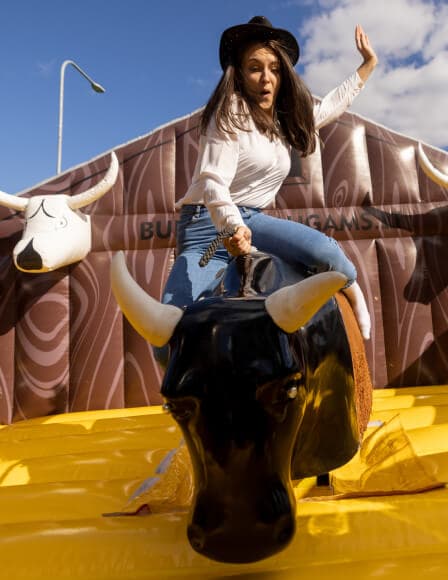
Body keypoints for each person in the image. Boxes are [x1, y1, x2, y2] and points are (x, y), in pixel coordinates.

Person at [162, 16, 378, 340]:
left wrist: (368, 65)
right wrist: (232, 227)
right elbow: (213, 181)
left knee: (332, 257)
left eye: (274, 69)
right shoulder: (230, 112)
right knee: (170, 336)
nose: (266, 78)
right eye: (255, 68)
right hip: (207, 228)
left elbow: (329, 108)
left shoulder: (283, 122)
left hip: (253, 221)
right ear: (239, 73)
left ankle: (350, 288)